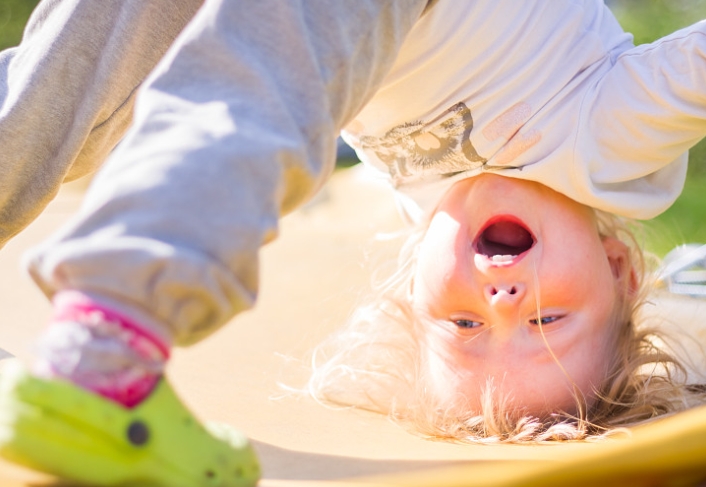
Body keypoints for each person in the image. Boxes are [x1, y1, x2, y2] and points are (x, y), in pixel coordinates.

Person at [0, 0, 705, 484]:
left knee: (71, 84)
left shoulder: (428, 203)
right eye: (546, 321)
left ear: (414, 283)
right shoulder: (610, 142)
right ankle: (107, 345)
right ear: (619, 269)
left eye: (465, 325)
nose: (503, 298)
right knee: (259, 93)